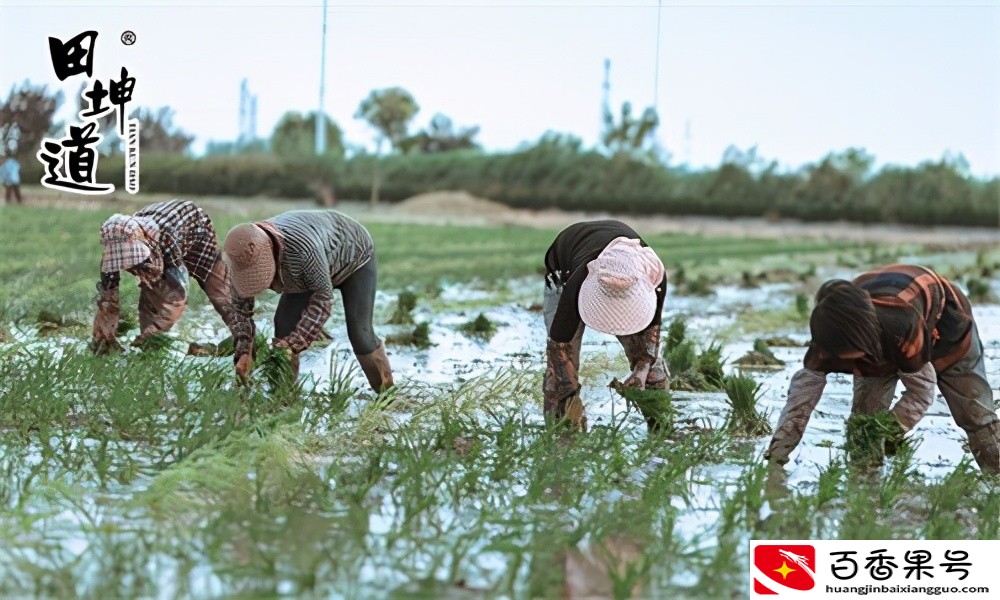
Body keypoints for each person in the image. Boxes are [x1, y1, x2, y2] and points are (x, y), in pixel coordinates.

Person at [765, 264, 1000, 474]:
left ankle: (996, 472)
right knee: (865, 419)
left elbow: (921, 391)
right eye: (844, 360)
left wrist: (890, 431)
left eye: (854, 358)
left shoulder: (901, 325)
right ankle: (865, 484)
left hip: (944, 320)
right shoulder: (827, 339)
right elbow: (799, 403)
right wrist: (777, 456)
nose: (850, 367)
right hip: (877, 328)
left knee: (973, 409)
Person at [222, 209, 394, 392]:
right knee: (283, 326)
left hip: (354, 255)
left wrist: (295, 342)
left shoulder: (303, 251)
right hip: (303, 271)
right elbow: (240, 311)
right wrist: (244, 350)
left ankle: (387, 394)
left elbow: (323, 299)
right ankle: (283, 398)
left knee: (361, 334)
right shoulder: (240, 256)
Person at [543, 220, 668, 431]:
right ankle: (564, 430)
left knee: (650, 367)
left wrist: (641, 370)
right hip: (564, 267)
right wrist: (567, 391)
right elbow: (559, 347)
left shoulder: (653, 276)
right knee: (561, 371)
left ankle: (660, 428)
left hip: (632, 271)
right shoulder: (576, 284)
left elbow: (650, 340)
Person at [91, 200, 236, 352]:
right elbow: (107, 299)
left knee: (217, 287)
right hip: (158, 232)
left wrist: (156, 328)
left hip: (195, 230)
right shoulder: (112, 252)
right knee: (151, 291)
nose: (131, 266)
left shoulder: (165, 237)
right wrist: (103, 335)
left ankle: (244, 336)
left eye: (134, 260)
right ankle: (150, 346)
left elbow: (177, 294)